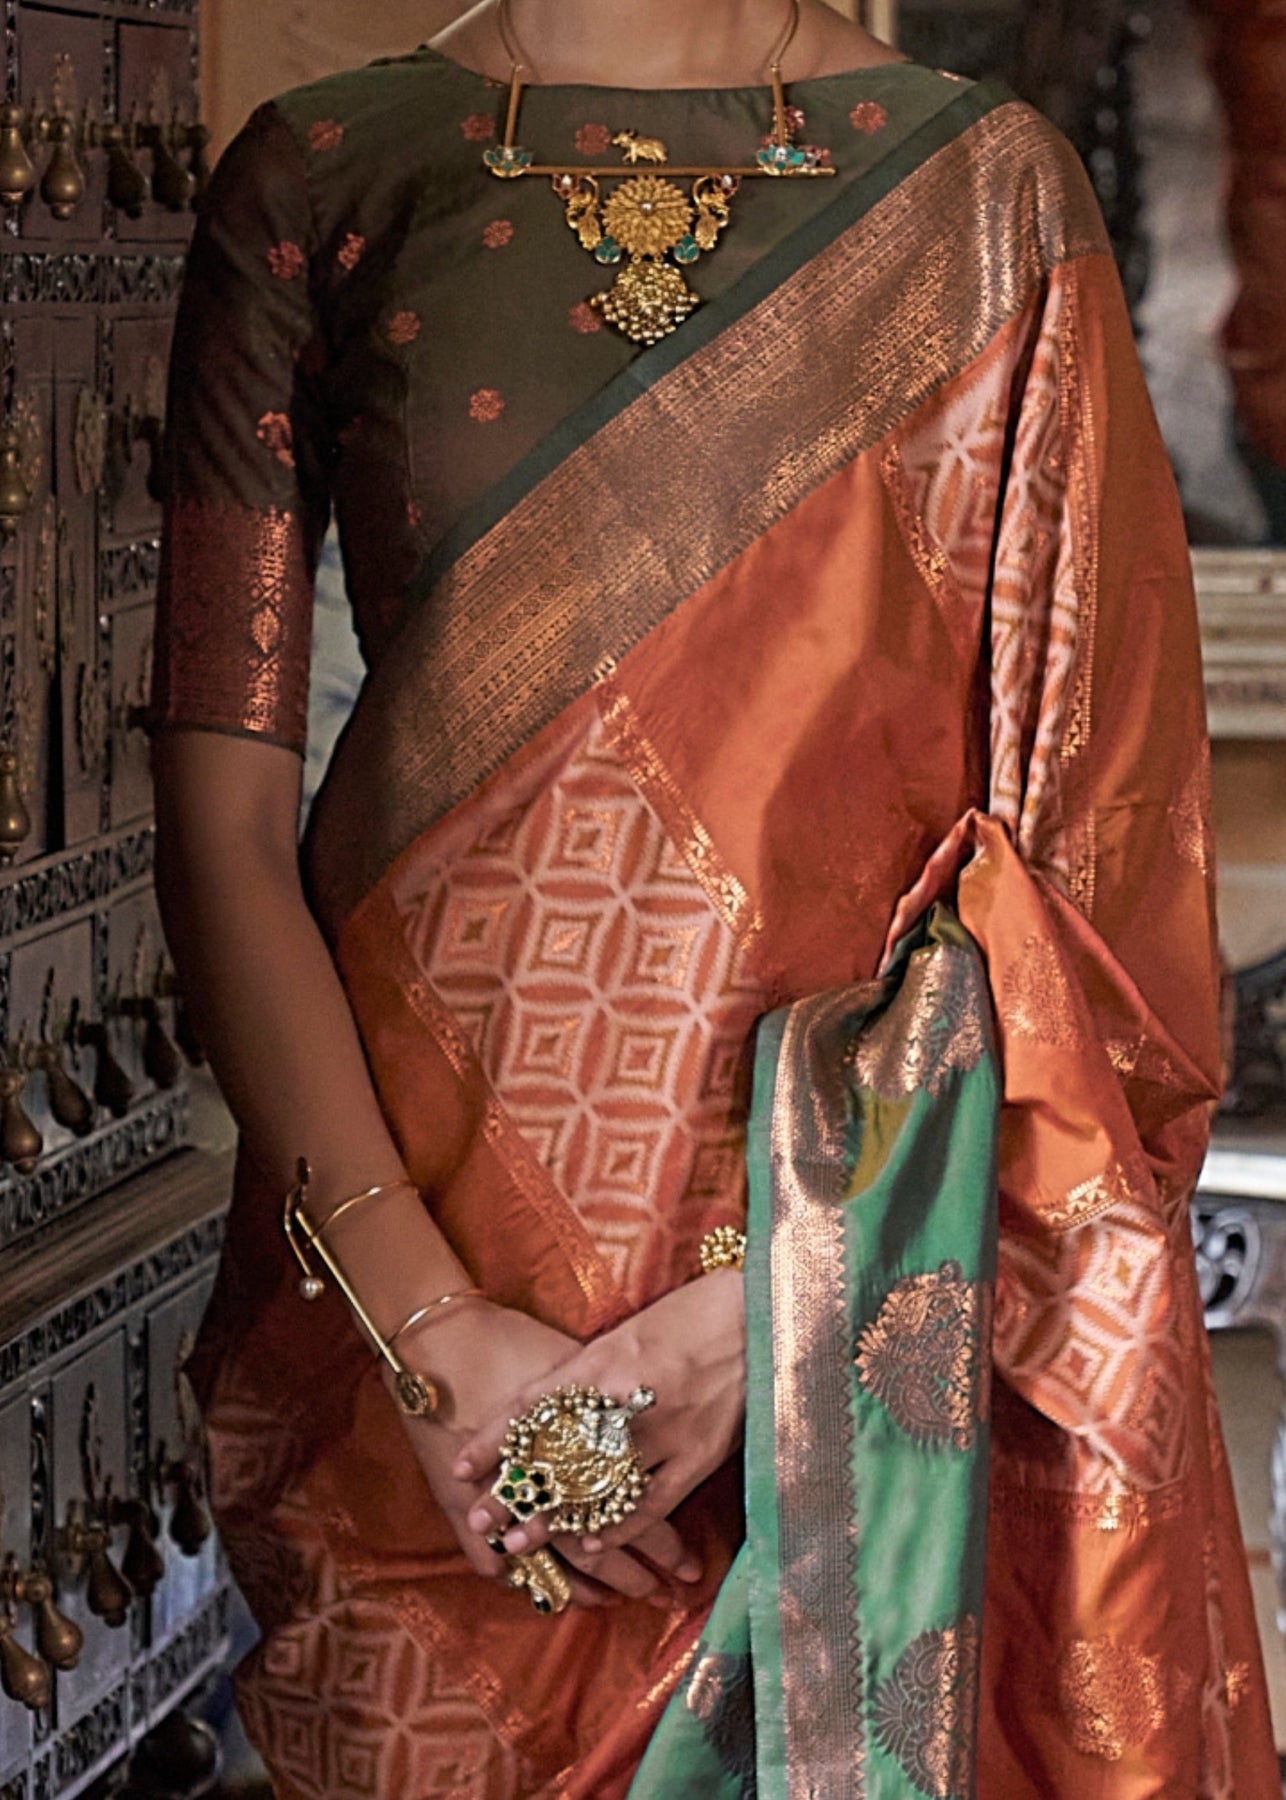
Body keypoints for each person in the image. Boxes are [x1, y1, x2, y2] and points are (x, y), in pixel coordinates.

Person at [148, 0, 1280, 1793]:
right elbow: (218, 826)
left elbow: (1090, 880)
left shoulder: (982, 193)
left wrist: (780, 1318)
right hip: (413, 1318)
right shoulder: (329, 172)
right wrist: (434, 1337)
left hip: (865, 1324)